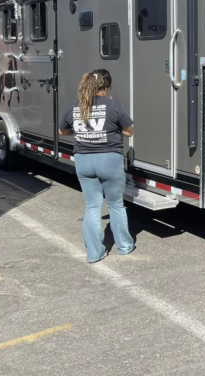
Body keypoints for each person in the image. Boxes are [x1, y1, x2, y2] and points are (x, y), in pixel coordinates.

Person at [58, 69, 135, 263]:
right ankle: (125, 246)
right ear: (106, 88)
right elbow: (129, 131)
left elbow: (62, 131)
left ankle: (94, 252)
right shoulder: (114, 105)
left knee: (92, 206)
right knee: (116, 205)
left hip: (83, 161)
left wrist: (80, 133)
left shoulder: (74, 106)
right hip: (109, 160)